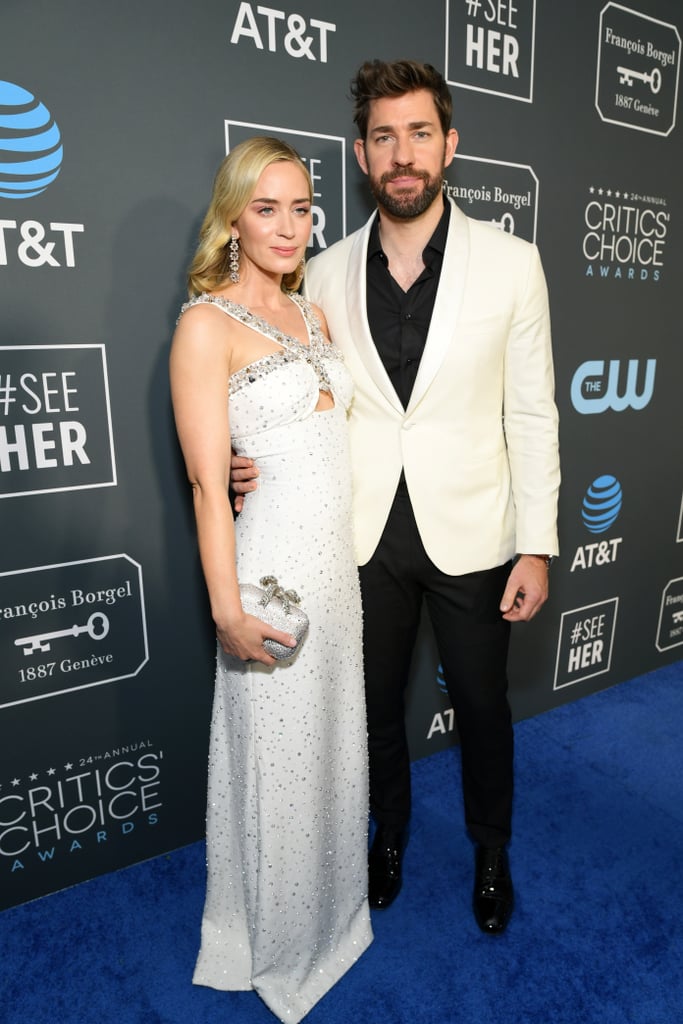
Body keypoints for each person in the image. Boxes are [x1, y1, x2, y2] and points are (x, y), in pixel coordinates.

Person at [233, 59, 560, 935]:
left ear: (449, 144)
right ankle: (389, 837)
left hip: (477, 534)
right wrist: (242, 457)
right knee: (374, 710)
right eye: (384, 137)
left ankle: (491, 849)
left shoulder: (513, 264)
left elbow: (531, 411)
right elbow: (295, 388)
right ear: (361, 153)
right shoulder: (324, 271)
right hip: (360, 533)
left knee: (484, 707)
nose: (402, 154)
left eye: (419, 133)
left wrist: (535, 543)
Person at [170, 136, 372, 1023]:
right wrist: (226, 612)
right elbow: (210, 486)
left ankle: (333, 919)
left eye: (301, 208)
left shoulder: (316, 316)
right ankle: (277, 945)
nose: (288, 228)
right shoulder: (202, 325)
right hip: (272, 578)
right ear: (233, 216)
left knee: (328, 757)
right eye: (267, 209)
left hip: (338, 577)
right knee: (275, 766)